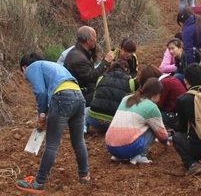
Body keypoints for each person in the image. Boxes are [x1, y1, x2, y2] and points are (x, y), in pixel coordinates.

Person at [16, 53, 90, 193]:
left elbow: (41, 92)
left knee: (51, 144)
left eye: (22, 73)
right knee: (78, 141)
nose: (25, 77)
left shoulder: (31, 68)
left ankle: (38, 182)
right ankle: (84, 175)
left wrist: (42, 115)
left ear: (24, 68)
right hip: (79, 97)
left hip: (63, 97)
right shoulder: (52, 65)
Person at [105, 78, 170, 164]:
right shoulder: (151, 107)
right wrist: (166, 141)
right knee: (153, 127)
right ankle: (140, 155)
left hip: (110, 146)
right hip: (127, 148)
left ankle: (118, 156)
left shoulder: (127, 98)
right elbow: (160, 132)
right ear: (157, 94)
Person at [64, 26, 114, 106]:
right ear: (88, 40)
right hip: (79, 95)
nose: (96, 40)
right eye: (95, 37)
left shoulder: (79, 52)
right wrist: (105, 62)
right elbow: (91, 77)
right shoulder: (79, 59)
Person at [86, 60, 136, 133]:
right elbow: (129, 103)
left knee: (86, 109)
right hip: (114, 123)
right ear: (126, 69)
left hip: (95, 120)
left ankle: (84, 128)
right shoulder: (130, 81)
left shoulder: (101, 78)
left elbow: (95, 97)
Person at [137, 64, 186, 132]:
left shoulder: (162, 84)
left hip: (176, 116)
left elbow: (155, 105)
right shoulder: (169, 79)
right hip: (179, 114)